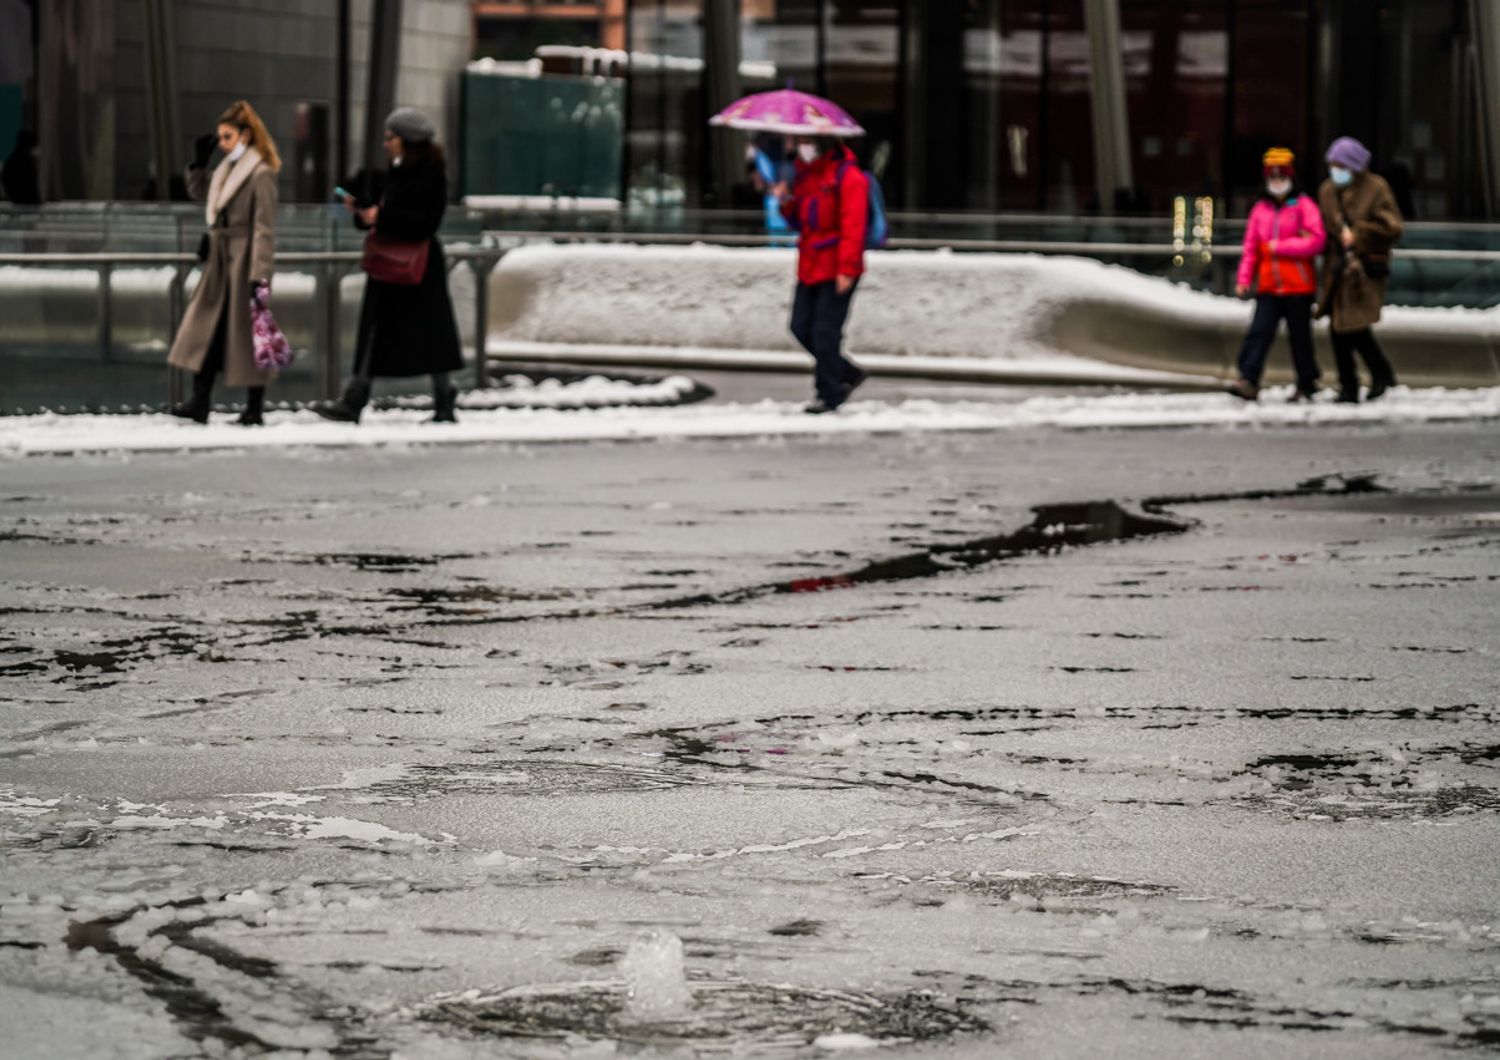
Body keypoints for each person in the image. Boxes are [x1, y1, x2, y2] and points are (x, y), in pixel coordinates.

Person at [316, 108, 463, 424]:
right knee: (375, 332)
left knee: (430, 336)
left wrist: (381, 217)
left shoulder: (431, 173)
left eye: (391, 137)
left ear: (408, 141)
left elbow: (425, 223)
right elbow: (380, 214)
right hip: (388, 265)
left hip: (417, 268)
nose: (386, 143)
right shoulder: (394, 171)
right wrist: (361, 212)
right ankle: (355, 397)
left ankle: (443, 398)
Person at [167, 101, 280, 425]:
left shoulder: (260, 173)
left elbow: (264, 227)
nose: (222, 143)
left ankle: (253, 407)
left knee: (248, 334)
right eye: (220, 137)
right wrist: (199, 164)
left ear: (245, 136)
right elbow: (205, 196)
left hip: (243, 262)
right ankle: (200, 400)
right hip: (221, 261)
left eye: (227, 136)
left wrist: (259, 273)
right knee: (206, 329)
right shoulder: (228, 169)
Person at [777, 135, 869, 414]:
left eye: (804, 141)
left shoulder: (849, 177)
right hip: (810, 265)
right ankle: (846, 373)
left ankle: (828, 394)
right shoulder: (805, 177)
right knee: (800, 327)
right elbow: (801, 222)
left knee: (825, 333)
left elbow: (854, 227)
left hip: (836, 267)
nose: (798, 146)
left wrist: (847, 269)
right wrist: (785, 201)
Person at [1227, 147, 1326, 402]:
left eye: (1282, 178)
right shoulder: (1260, 210)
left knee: (1300, 338)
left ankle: (1307, 382)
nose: (1277, 183)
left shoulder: (1304, 206)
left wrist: (1279, 246)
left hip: (1298, 286)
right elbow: (1251, 248)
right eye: (1273, 179)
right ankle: (1248, 379)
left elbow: (1316, 241)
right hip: (1269, 285)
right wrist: (1244, 279)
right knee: (1259, 332)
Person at [1315, 136, 1402, 403]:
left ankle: (1374, 376)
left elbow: (1392, 227)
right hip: (1338, 268)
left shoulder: (1376, 188)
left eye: (1341, 165)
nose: (1336, 170)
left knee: (1354, 326)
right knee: (1340, 327)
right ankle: (1355, 383)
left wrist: (1359, 234)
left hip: (1364, 269)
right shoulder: (1328, 191)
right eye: (1333, 164)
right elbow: (1324, 227)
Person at [1, 129, 41, 204]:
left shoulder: (10, 160)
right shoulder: (27, 161)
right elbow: (31, 184)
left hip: (16, 199)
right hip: (27, 201)